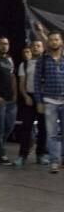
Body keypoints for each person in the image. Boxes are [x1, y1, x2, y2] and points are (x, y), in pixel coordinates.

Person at [34, 30, 64, 174]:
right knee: (51, 133)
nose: (54, 42)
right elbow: (36, 81)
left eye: (56, 39)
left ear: (61, 41)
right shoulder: (43, 60)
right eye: (51, 40)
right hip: (49, 101)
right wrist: (39, 101)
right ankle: (54, 161)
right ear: (48, 42)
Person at [16, 40, 48, 166]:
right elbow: (21, 84)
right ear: (30, 48)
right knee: (26, 127)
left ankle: (41, 154)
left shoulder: (47, 63)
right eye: (33, 46)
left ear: (42, 48)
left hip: (44, 98)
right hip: (29, 97)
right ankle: (22, 155)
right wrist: (25, 96)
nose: (35, 48)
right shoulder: (24, 64)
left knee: (43, 127)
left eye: (38, 46)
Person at [0, 37, 18, 165]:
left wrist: (15, 93)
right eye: (1, 44)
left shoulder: (9, 59)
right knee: (0, 129)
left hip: (11, 99)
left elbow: (12, 76)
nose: (4, 46)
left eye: (6, 44)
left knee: (9, 126)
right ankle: (1, 155)